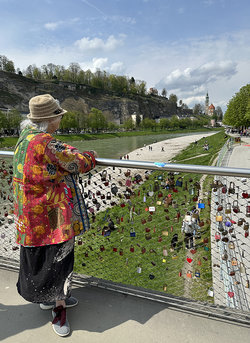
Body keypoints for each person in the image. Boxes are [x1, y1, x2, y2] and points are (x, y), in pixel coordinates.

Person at [13, 94, 97, 337]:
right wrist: (91, 155)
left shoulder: (24, 138)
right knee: (60, 256)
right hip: (51, 212)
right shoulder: (48, 143)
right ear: (51, 120)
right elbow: (78, 162)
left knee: (39, 256)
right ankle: (58, 310)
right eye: (58, 116)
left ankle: (47, 298)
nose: (60, 121)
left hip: (28, 212)